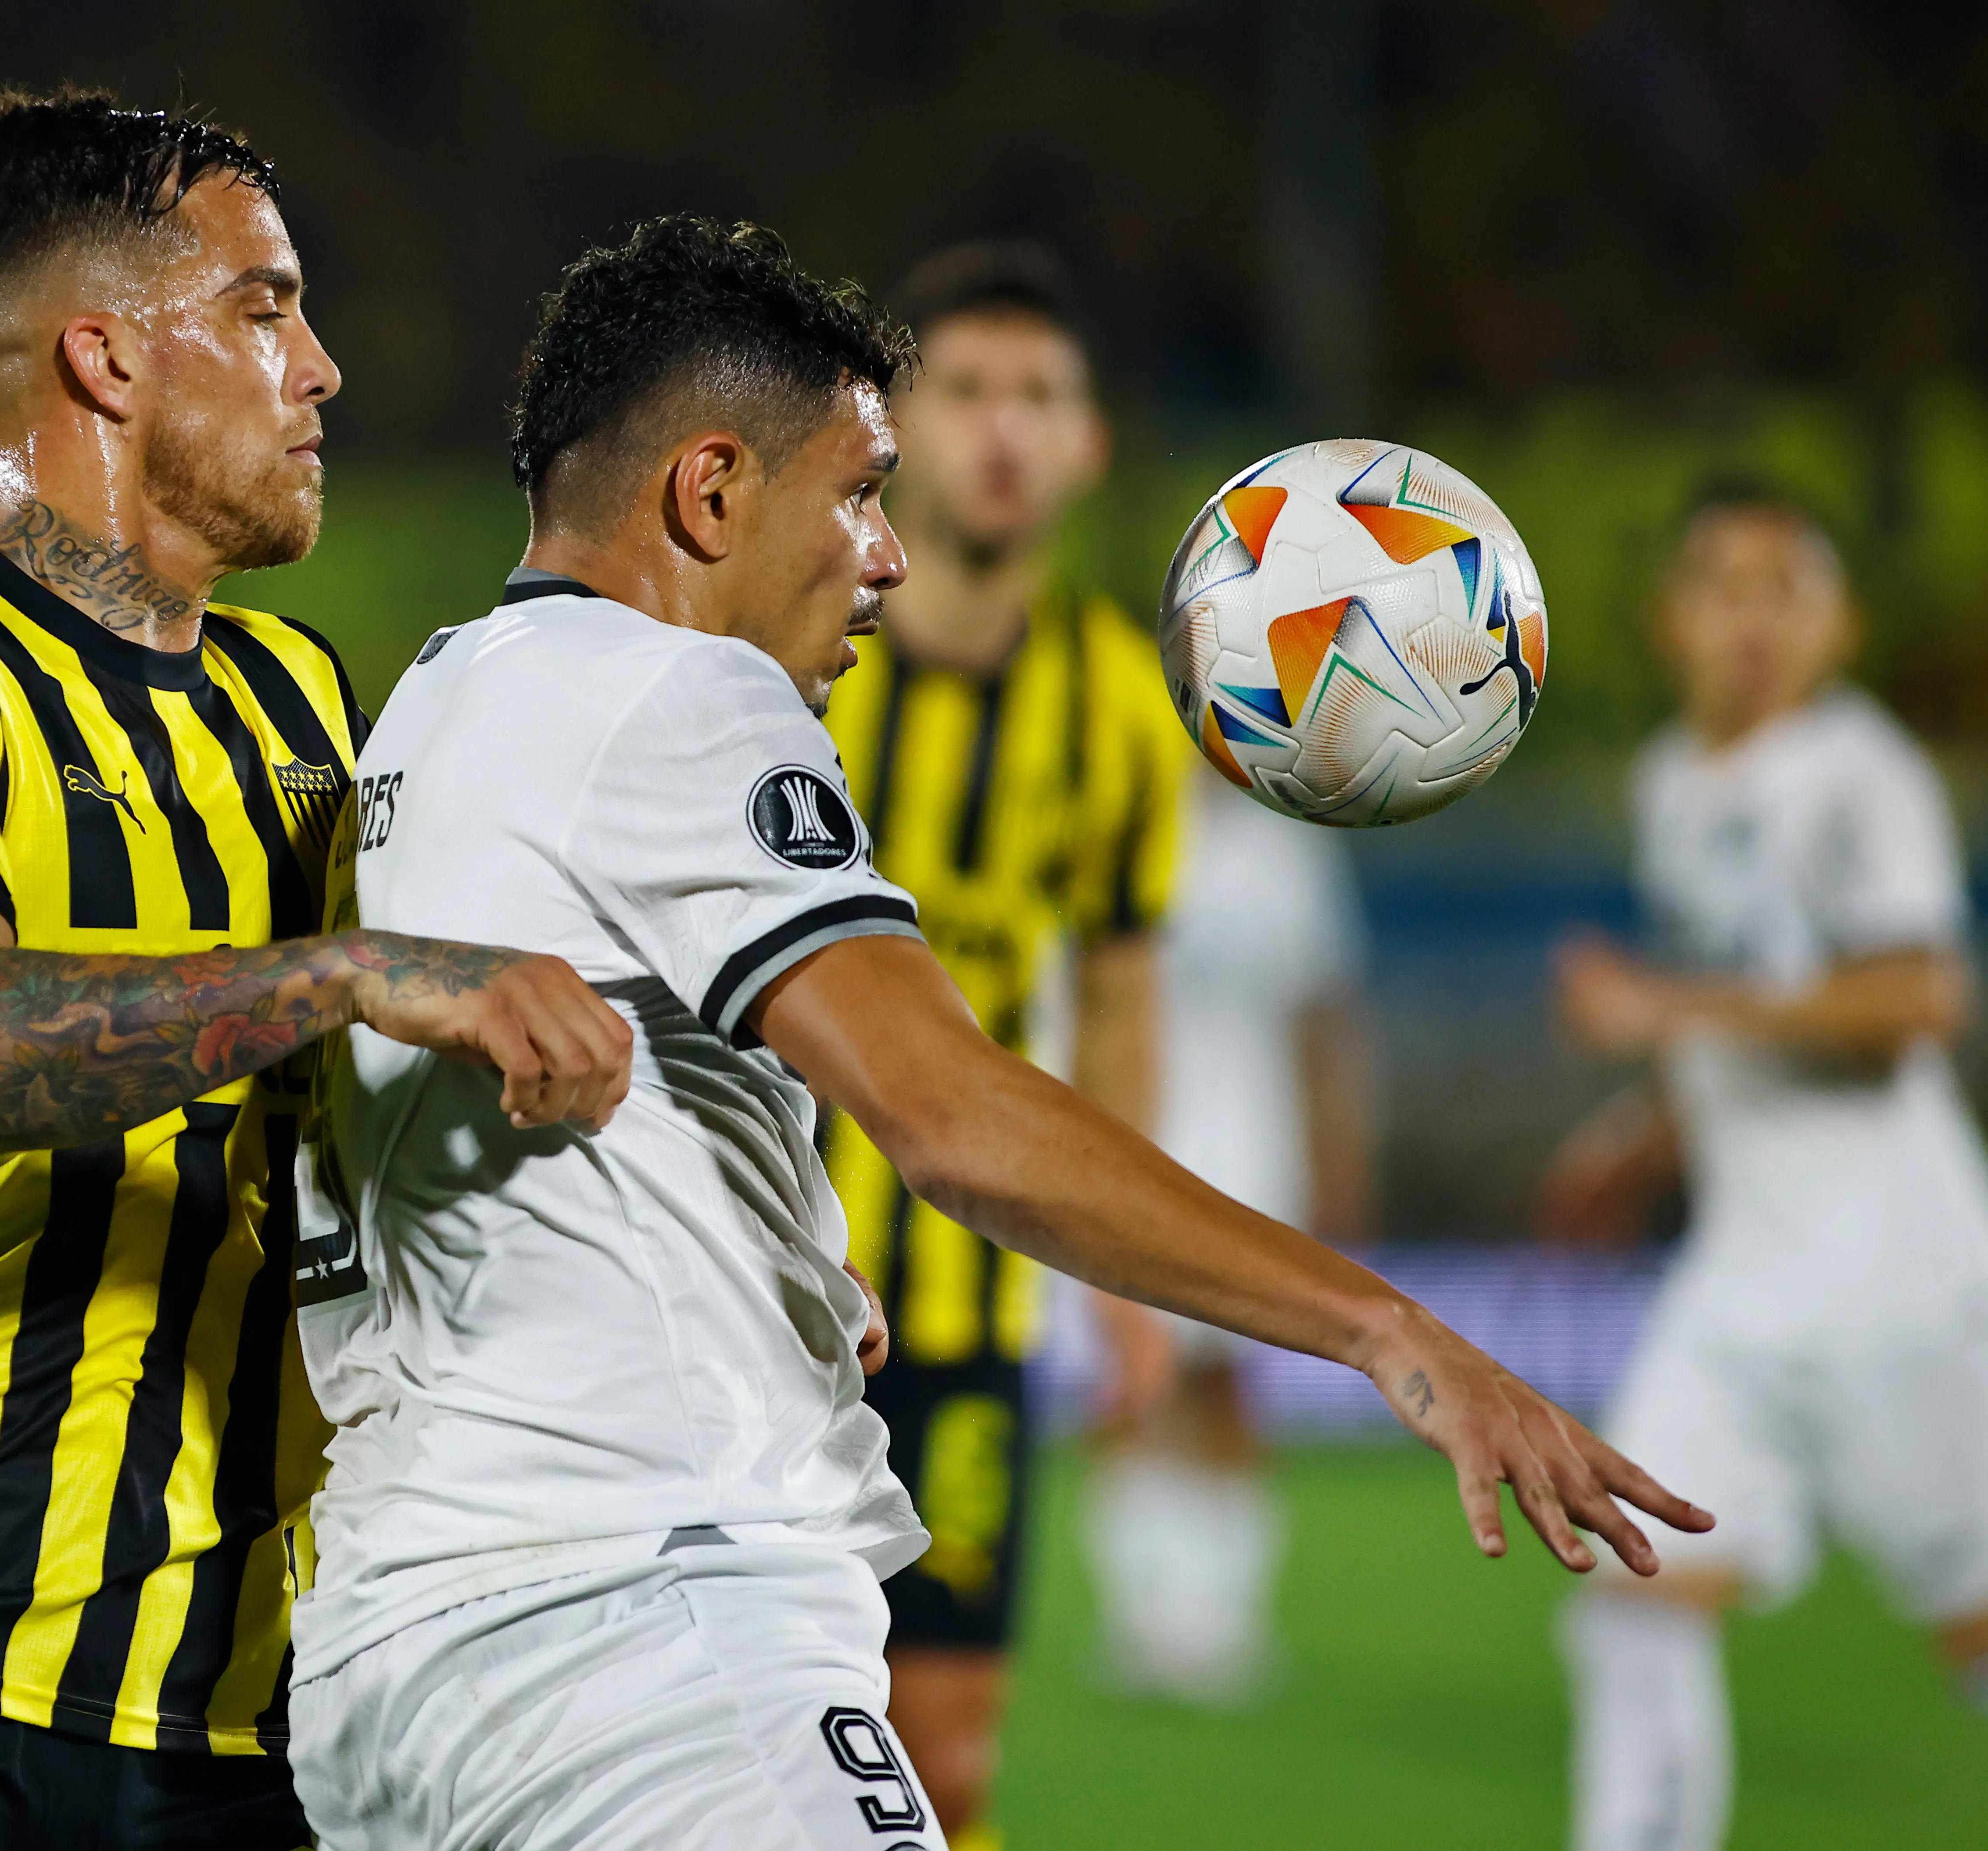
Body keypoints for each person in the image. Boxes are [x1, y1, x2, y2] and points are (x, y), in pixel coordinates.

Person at [287, 215, 1706, 1851]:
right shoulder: (689, 696)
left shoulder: (437, 699)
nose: (887, 553)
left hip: (400, 1645)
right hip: (651, 1635)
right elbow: (951, 1117)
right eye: (858, 490)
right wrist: (1394, 1332)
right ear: (709, 493)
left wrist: (769, 1261)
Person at [0, 89, 632, 1851]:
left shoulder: (303, 703)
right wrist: (338, 971)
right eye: (265, 310)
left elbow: (429, 1086)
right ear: (102, 358)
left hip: (236, 1717)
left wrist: (725, 1246)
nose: (320, 369)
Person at [1540, 484, 1988, 1851]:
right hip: (1738, 1282)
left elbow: (1915, 998)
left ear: (1839, 626)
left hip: (1898, 1282)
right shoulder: (1672, 781)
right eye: (1721, 587)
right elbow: (1747, 1015)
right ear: (1664, 622)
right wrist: (1641, 1140)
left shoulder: (1859, 777)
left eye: (1785, 589)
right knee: (1630, 1600)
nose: (1753, 620)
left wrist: (1663, 1011)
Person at [810, 239, 1191, 1840]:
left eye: (1038, 395)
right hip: (761, 1269)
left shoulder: (1118, 702)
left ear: (1085, 442)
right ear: (890, 428)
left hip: (968, 1300)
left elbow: (1117, 989)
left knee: (945, 1763)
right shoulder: (790, 658)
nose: (1003, 429)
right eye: (965, 389)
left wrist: (1126, 1270)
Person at [1083, 758, 1377, 1704]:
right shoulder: (1112, 818)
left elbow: (1321, 1012)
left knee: (1226, 1382)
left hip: (1253, 1140)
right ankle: (1141, 1613)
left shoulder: (1285, 847)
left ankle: (1223, 1615)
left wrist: (1336, 1151)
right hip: (1134, 1133)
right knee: (1132, 1372)